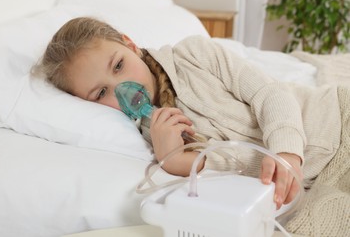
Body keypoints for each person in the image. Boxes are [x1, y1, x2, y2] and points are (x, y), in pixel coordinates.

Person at [35, 17, 349, 214]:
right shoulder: (153, 135)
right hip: (317, 179)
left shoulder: (194, 54)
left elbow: (270, 93)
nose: (122, 88)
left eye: (118, 65)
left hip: (335, 119)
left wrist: (286, 152)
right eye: (100, 93)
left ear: (129, 44)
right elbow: (235, 164)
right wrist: (178, 161)